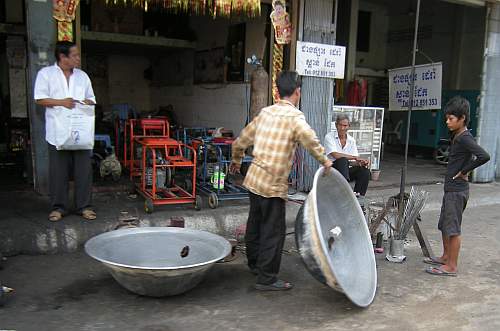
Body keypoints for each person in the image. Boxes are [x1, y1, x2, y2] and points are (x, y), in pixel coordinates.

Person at [230, 71, 332, 291]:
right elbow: (312, 142)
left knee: (255, 224)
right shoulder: (296, 118)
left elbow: (239, 142)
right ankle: (266, 279)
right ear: (298, 92)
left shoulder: (265, 113)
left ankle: (255, 265)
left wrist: (237, 161)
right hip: (273, 184)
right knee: (273, 232)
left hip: (254, 180)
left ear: (277, 91)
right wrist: (325, 161)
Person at [425, 96, 490, 276]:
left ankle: (451, 266)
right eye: (447, 118)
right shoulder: (457, 136)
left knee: (453, 229)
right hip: (451, 189)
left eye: (451, 119)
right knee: (445, 225)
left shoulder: (465, 138)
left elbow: (484, 156)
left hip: (457, 190)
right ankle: (445, 257)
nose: (447, 122)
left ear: (462, 118)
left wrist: (464, 171)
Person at [34, 41, 97, 222]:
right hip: (57, 132)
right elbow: (39, 99)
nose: (78, 58)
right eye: (75, 55)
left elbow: (91, 98)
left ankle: (84, 207)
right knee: (58, 172)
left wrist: (85, 102)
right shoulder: (46, 74)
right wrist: (62, 102)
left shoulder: (82, 76)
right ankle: (58, 208)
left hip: (81, 131)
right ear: (63, 57)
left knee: (84, 171)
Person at [324, 114, 371, 202]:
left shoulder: (351, 140)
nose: (342, 128)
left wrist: (361, 163)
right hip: (330, 171)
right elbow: (335, 155)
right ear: (336, 125)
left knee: (364, 171)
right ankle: (345, 191)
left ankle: (358, 197)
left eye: (345, 125)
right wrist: (355, 157)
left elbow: (352, 162)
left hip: (344, 172)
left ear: (348, 126)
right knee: (342, 160)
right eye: (340, 125)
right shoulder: (329, 137)